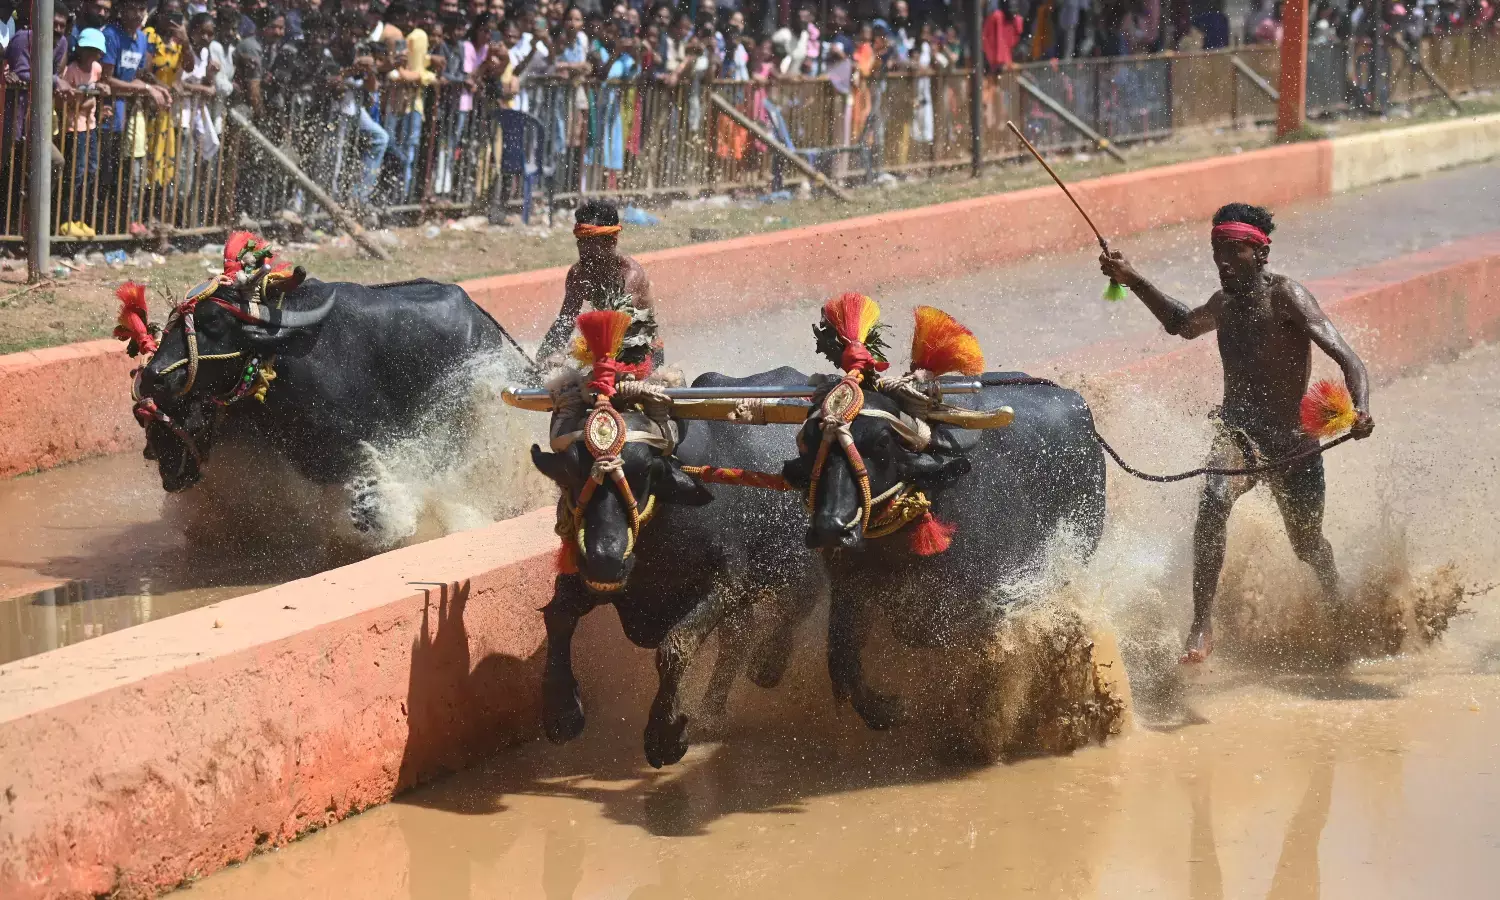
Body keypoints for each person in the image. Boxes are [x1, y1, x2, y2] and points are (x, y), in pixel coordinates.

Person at [1099, 203, 1375, 664]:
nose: (1222, 262)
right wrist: (1131, 279)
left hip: (1292, 442)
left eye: (1233, 251)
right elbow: (1181, 325)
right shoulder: (1222, 304)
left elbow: (1349, 359)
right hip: (1238, 434)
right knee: (1213, 499)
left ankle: (1337, 601)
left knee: (1307, 545)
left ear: (1260, 253)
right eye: (1216, 251)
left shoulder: (1287, 296)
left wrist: (1361, 409)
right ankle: (1201, 623)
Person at [538, 199, 657, 365]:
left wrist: (568, 353)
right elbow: (565, 322)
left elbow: (616, 331)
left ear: (611, 241)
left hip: (641, 352)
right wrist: (542, 359)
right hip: (606, 352)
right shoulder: (578, 274)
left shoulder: (630, 275)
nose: (583, 249)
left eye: (591, 242)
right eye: (580, 241)